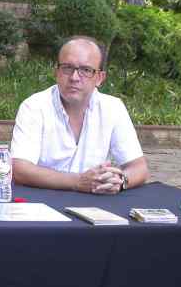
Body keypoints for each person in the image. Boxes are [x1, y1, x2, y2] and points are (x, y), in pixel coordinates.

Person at [11, 36, 149, 194]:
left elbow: (139, 168)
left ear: (100, 78)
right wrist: (77, 182)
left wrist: (120, 180)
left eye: (86, 70)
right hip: (42, 199)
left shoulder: (113, 108)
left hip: (94, 201)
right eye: (67, 68)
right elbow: (19, 169)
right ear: (56, 72)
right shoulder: (34, 107)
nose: (74, 77)